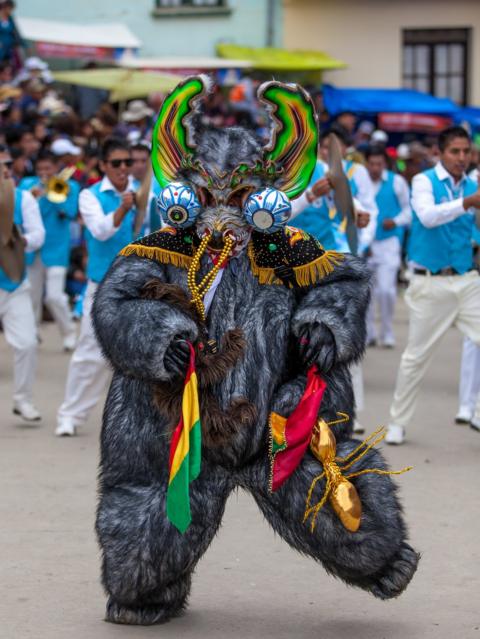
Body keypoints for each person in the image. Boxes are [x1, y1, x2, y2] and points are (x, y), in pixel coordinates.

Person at [92, 76, 417, 625]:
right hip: (179, 424)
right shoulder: (162, 248)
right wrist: (162, 336)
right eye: (209, 195)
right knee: (148, 538)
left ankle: (380, 559)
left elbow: (340, 285)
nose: (223, 211)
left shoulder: (290, 251)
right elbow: (119, 299)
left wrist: (323, 325)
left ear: (266, 195)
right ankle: (142, 594)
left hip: (275, 419)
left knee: (340, 512)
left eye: (240, 197)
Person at [386, 126, 480, 444]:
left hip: (467, 278)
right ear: (441, 153)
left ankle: (477, 410)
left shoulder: (474, 182)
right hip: (429, 283)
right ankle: (397, 422)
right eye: (455, 151)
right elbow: (426, 217)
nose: (462, 158)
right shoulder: (423, 181)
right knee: (416, 357)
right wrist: (468, 202)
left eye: (466, 152)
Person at [55, 138, 136, 436]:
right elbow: (101, 231)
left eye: (127, 162)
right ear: (103, 165)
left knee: (136, 355)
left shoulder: (140, 193)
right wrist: (122, 210)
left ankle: (134, 422)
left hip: (138, 287)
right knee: (90, 350)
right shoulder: (90, 196)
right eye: (116, 163)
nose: (123, 168)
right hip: (102, 285)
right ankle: (70, 414)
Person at [0, 144, 45, 421]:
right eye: (2, 166)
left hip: (14, 283)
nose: (6, 170)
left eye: (7, 165)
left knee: (27, 343)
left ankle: (23, 400)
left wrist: (21, 241)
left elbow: (38, 234)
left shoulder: (23, 198)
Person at [18, 150, 78, 350]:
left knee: (54, 296)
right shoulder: (27, 185)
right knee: (32, 295)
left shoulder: (70, 185)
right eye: (40, 169)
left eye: (48, 168)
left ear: (56, 168)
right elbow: (19, 211)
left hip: (57, 249)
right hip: (31, 250)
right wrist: (33, 197)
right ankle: (32, 334)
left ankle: (69, 333)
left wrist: (54, 196)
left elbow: (69, 213)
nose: (44, 173)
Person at [365, 147, 411, 348]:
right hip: (366, 244)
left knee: (387, 291)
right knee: (366, 292)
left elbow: (409, 210)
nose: (375, 168)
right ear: (367, 164)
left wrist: (396, 221)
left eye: (379, 164)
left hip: (389, 243)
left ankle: (387, 331)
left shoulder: (397, 182)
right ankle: (369, 333)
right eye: (372, 164)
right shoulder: (360, 182)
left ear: (385, 164)